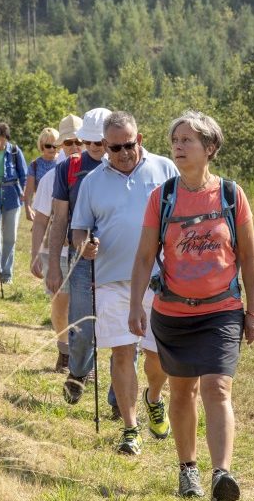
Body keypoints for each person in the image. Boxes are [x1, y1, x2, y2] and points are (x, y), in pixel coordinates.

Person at [128, 110, 254, 501]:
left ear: (210, 148)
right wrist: (137, 304)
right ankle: (188, 467)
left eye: (187, 140)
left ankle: (222, 473)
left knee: (217, 387)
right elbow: (143, 258)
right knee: (183, 390)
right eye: (175, 140)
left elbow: (249, 258)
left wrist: (253, 310)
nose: (178, 146)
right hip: (172, 313)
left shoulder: (231, 195)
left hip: (222, 310)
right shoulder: (163, 197)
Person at [71, 111, 177, 456]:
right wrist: (83, 246)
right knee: (122, 351)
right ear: (105, 146)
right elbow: (79, 229)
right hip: (112, 279)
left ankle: (154, 397)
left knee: (156, 356)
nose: (122, 153)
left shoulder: (165, 170)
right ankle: (131, 429)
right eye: (114, 148)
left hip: (159, 279)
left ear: (139, 140)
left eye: (128, 145)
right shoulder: (92, 182)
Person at [45, 107, 117, 409]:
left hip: (120, 260)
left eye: (100, 142)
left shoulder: (127, 164)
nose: (94, 148)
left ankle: (118, 399)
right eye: (89, 142)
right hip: (79, 257)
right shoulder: (69, 169)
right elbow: (59, 218)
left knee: (122, 333)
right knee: (83, 327)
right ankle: (77, 373)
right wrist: (52, 265)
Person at [29, 115, 83, 372]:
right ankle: (64, 348)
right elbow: (40, 220)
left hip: (87, 252)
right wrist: (35, 254)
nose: (74, 147)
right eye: (69, 142)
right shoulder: (52, 177)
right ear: (61, 145)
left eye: (79, 141)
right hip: (58, 250)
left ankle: (83, 361)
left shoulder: (101, 173)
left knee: (83, 307)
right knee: (61, 305)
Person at [0, 123, 28, 286]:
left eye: (0, 141)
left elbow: (24, 175)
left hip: (12, 196)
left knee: (10, 236)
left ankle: (6, 274)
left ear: (6, 139)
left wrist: (24, 191)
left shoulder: (16, 151)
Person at [24, 126, 64, 222]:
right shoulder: (34, 165)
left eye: (55, 146)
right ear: (42, 145)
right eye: (48, 146)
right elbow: (29, 191)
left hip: (61, 209)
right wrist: (28, 208)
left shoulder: (64, 162)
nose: (52, 149)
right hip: (41, 209)